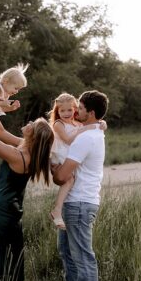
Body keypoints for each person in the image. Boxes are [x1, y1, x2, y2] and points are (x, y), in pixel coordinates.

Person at [0, 106, 54, 281]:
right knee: (14, 249)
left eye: (32, 125)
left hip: (1, 209)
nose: (28, 123)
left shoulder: (18, 155)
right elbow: (0, 131)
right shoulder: (27, 148)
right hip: (15, 211)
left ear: (33, 136)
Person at [53, 90, 109, 281]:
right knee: (67, 252)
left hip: (79, 203)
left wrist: (55, 171)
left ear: (91, 112)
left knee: (83, 255)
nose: (77, 111)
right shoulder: (93, 132)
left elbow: (61, 177)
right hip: (76, 202)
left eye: (82, 108)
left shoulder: (85, 138)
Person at [47, 93, 106, 229]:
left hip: (68, 155)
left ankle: (57, 210)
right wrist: (84, 129)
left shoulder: (77, 123)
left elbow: (96, 123)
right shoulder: (58, 124)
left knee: (70, 180)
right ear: (57, 111)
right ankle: (56, 210)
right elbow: (67, 140)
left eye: (70, 110)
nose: (66, 113)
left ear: (75, 109)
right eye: (62, 110)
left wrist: (102, 123)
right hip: (60, 154)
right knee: (70, 179)